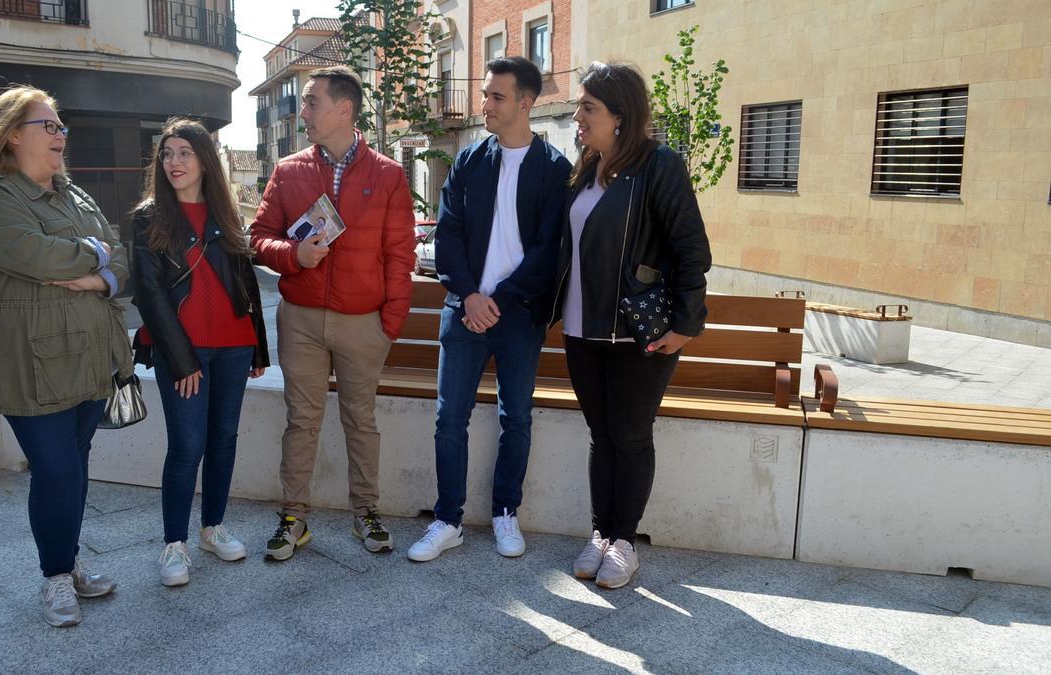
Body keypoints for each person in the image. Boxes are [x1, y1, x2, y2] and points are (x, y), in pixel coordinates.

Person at [0, 85, 132, 626]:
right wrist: (91, 255)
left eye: (61, 128)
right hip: (27, 362)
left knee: (74, 469)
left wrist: (98, 275)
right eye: (48, 126)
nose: (61, 136)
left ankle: (68, 562)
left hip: (88, 354)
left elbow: (121, 257)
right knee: (55, 470)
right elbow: (35, 254)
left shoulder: (74, 195)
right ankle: (55, 576)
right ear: (12, 135)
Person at [551, 62, 711, 589]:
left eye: (587, 108)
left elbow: (691, 247)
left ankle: (624, 542)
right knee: (602, 434)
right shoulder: (585, 167)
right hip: (581, 328)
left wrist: (687, 322)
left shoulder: (659, 165)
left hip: (638, 331)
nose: (577, 117)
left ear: (619, 115)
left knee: (631, 435)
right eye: (579, 107)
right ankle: (600, 533)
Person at [406, 57, 572, 563]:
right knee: (448, 418)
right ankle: (447, 519)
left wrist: (498, 300)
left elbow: (549, 251)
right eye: (484, 94)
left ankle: (505, 512)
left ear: (526, 102)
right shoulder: (470, 161)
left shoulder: (555, 170)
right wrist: (471, 294)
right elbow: (448, 232)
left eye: (496, 96)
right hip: (465, 309)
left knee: (515, 417)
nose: (485, 104)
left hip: (519, 316)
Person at [250, 65, 415, 561]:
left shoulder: (387, 174)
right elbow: (259, 239)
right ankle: (294, 516)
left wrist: (389, 325)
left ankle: (366, 511)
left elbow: (401, 255)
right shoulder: (288, 170)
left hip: (364, 323)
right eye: (303, 102)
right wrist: (292, 256)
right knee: (302, 420)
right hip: (300, 318)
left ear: (344, 110)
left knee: (360, 421)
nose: (303, 112)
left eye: (311, 101)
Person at [130, 118, 271, 586]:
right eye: (167, 154)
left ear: (205, 161)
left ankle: (212, 527)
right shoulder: (150, 217)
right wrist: (182, 359)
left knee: (223, 440)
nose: (174, 162)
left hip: (233, 346)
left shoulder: (224, 211)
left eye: (184, 153)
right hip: (183, 352)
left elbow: (245, 282)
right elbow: (150, 296)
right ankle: (175, 544)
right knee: (187, 446)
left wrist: (258, 346)